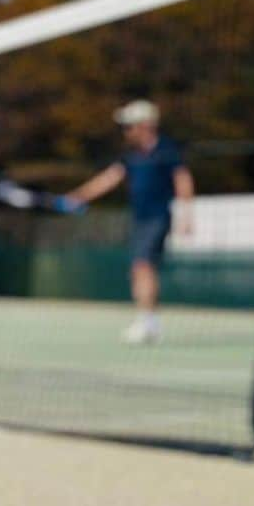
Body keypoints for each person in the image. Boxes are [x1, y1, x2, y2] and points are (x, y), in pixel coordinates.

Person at [67, 100, 195, 344]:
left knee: (143, 266)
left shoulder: (167, 150)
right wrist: (78, 196)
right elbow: (108, 178)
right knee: (139, 269)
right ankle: (149, 320)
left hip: (158, 218)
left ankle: (147, 321)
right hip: (139, 219)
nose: (126, 131)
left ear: (146, 125)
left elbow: (183, 180)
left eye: (129, 126)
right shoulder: (131, 156)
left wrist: (187, 215)